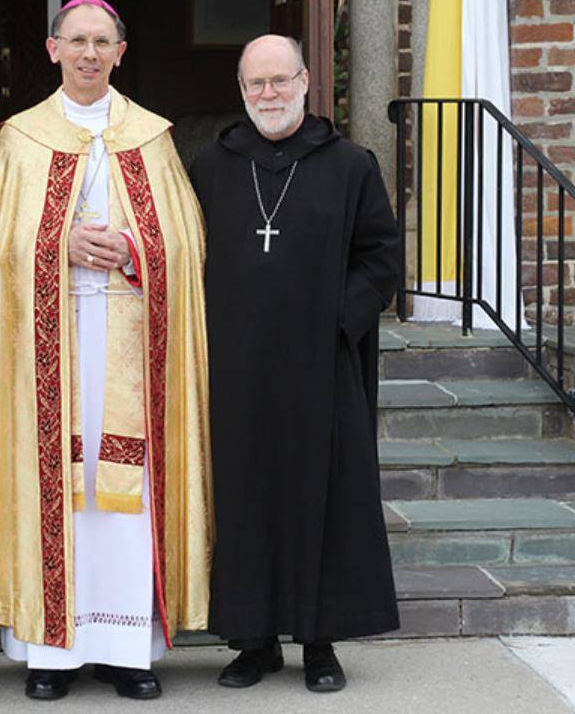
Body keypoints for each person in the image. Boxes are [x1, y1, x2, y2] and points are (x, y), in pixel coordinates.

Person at [0, 0, 211, 702]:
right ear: (52, 49)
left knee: (121, 493)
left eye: (102, 42)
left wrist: (135, 248)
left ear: (121, 52)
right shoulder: (20, 138)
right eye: (77, 42)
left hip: (130, 338)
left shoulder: (151, 138)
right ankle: (48, 650)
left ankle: (129, 648)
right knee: (55, 487)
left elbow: (186, 243)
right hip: (48, 345)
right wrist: (54, 245)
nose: (89, 54)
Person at [189, 34, 401, 693]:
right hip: (235, 369)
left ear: (306, 82)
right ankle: (251, 643)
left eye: (280, 81)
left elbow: (380, 257)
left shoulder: (349, 164)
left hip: (319, 370)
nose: (269, 95)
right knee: (244, 499)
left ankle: (318, 644)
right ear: (240, 90)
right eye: (256, 84)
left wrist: (338, 319)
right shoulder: (209, 166)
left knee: (322, 499)